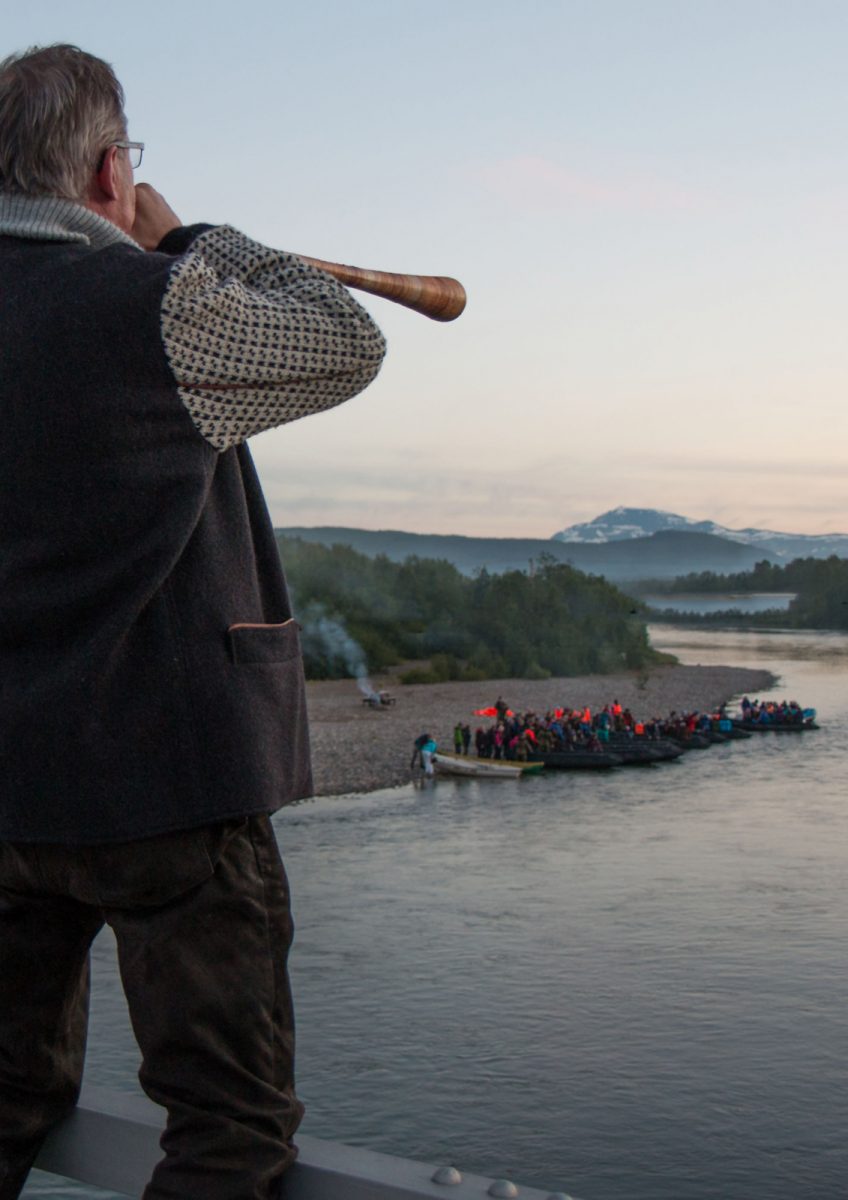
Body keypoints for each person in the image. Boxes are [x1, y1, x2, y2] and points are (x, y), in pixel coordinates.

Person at [0, 44, 386, 1200]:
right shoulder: (158, 305)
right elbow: (344, 339)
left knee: (4, 1097)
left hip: (10, 794)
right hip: (171, 783)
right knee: (227, 1128)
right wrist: (192, 239)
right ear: (110, 169)